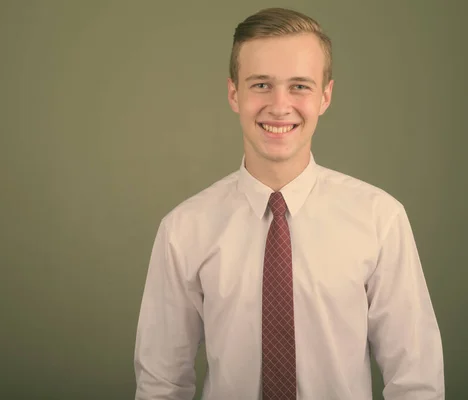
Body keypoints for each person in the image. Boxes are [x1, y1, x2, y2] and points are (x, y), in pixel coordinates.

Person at [134, 7, 444, 400]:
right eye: (261, 84)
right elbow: (161, 384)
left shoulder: (380, 219)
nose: (280, 106)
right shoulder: (183, 229)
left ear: (325, 96)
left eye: (300, 86)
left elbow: (416, 381)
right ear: (234, 93)